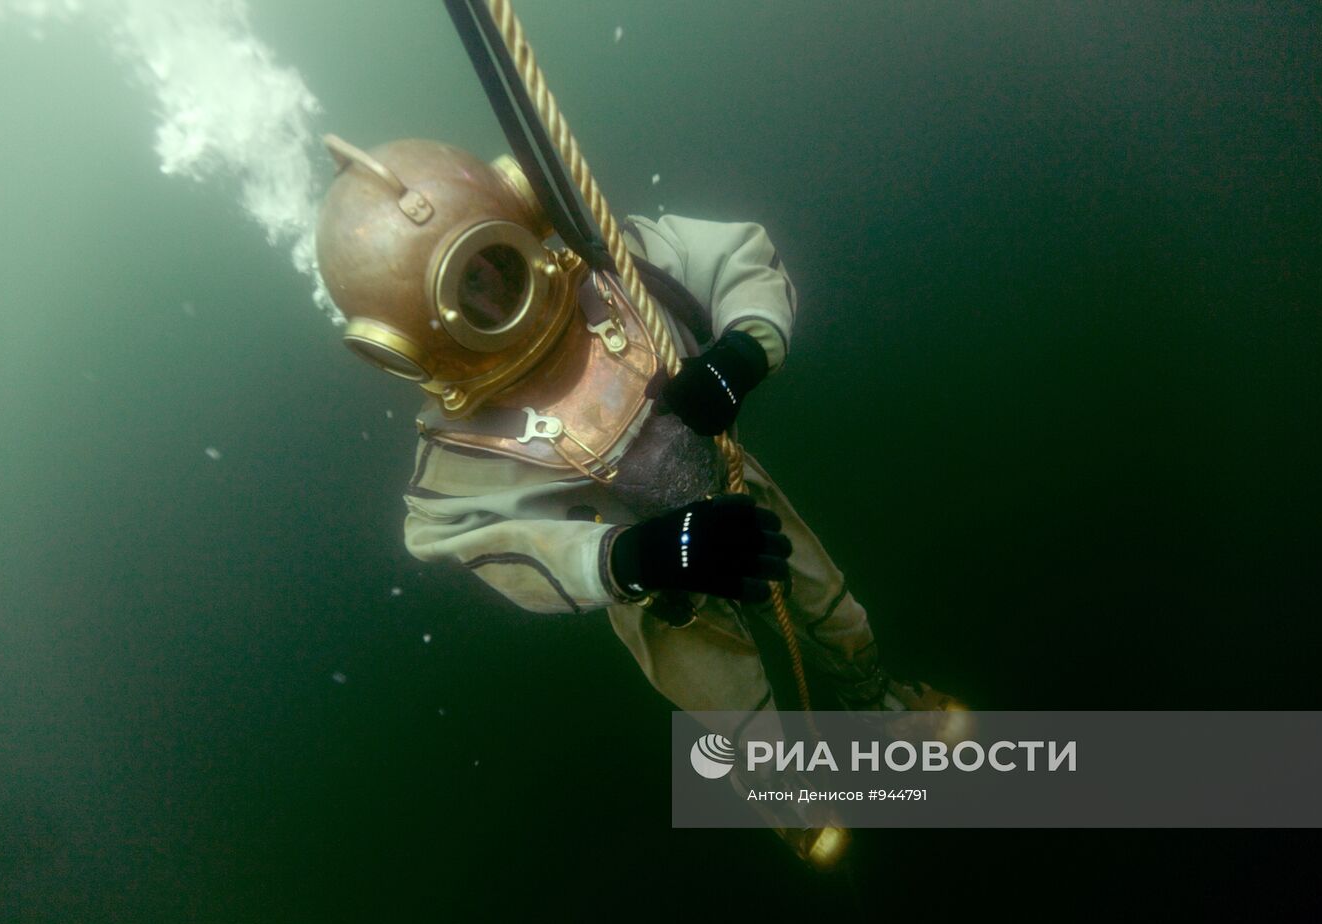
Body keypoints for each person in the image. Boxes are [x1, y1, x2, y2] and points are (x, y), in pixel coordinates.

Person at [314, 135, 960, 866]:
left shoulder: (618, 271)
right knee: (728, 701)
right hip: (657, 593)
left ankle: (877, 701)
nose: (497, 296)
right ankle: (787, 790)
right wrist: (640, 553)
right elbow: (450, 531)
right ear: (412, 342)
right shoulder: (464, 447)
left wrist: (742, 353)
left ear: (520, 218)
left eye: (496, 264)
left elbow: (733, 256)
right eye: (470, 292)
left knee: (830, 604)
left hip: (731, 484)